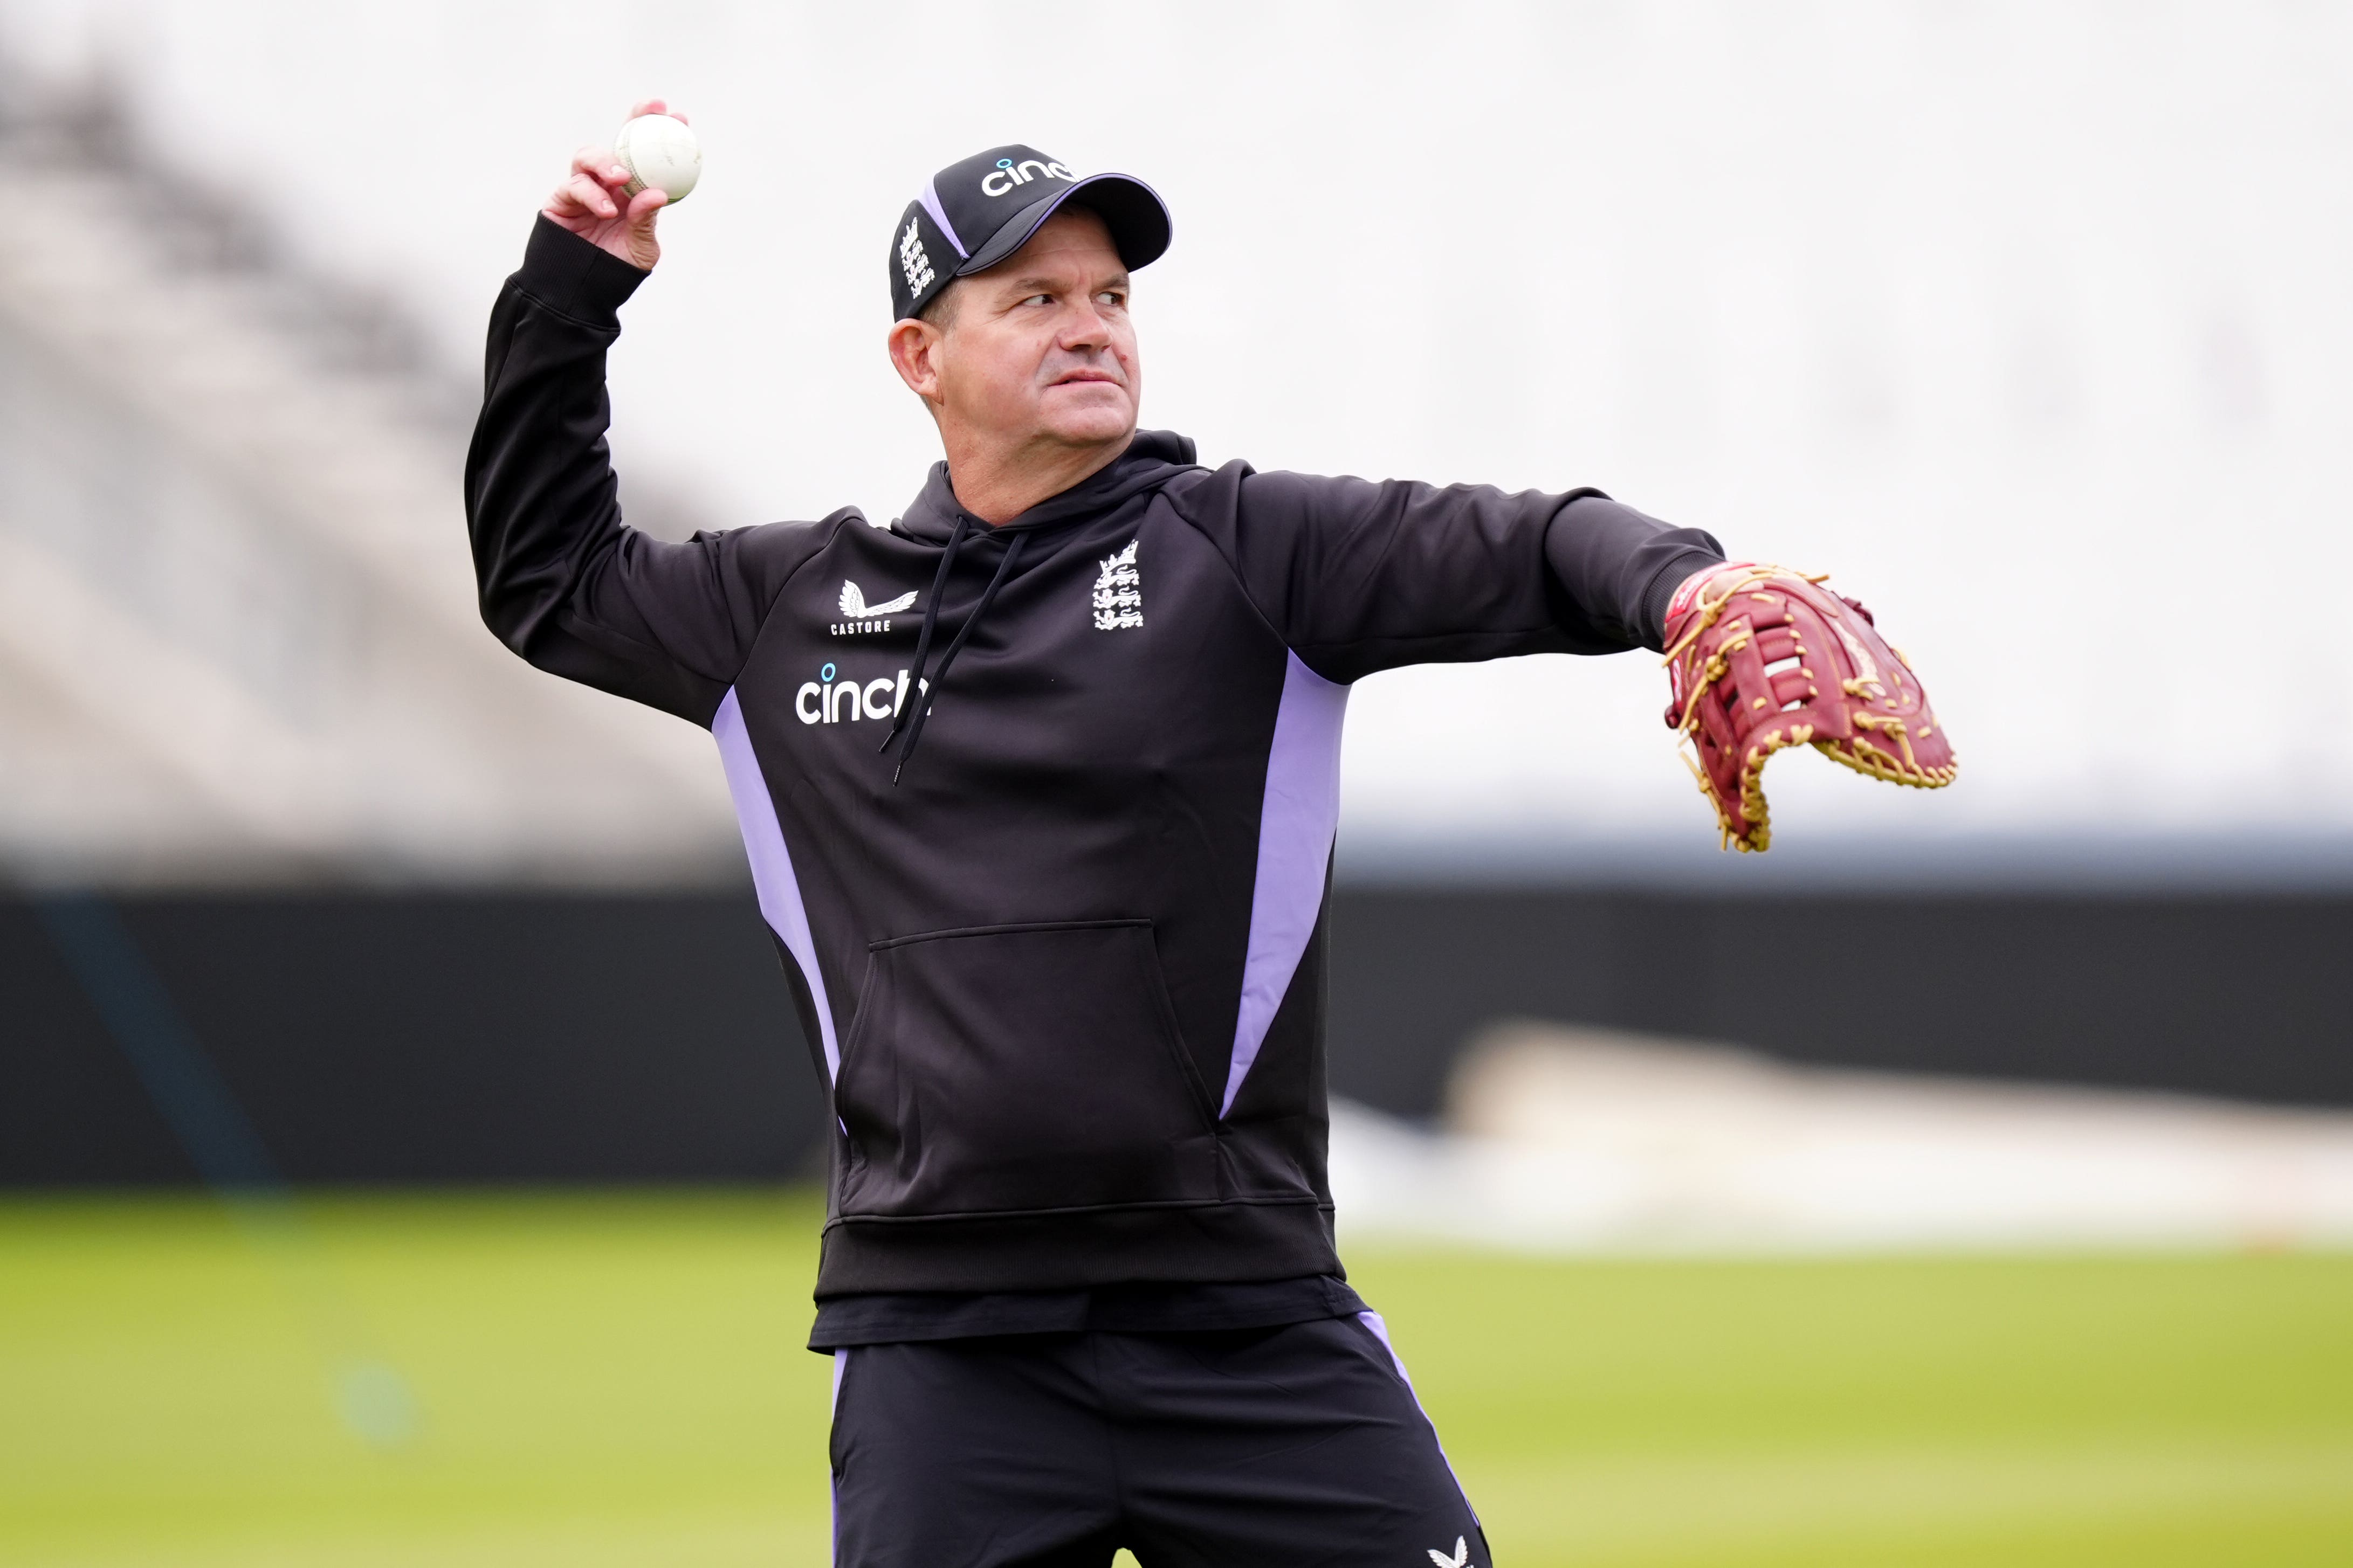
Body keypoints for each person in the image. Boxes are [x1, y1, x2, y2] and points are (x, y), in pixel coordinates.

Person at [467, 100, 1735, 1568]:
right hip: (942, 1354)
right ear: (918, 359)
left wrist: (1683, 591)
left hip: (1245, 1327)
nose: (1091, 327)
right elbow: (543, 575)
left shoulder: (1247, 550)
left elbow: (1524, 541)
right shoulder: (783, 608)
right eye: (1034, 299)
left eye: (1110, 298)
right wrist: (571, 284)